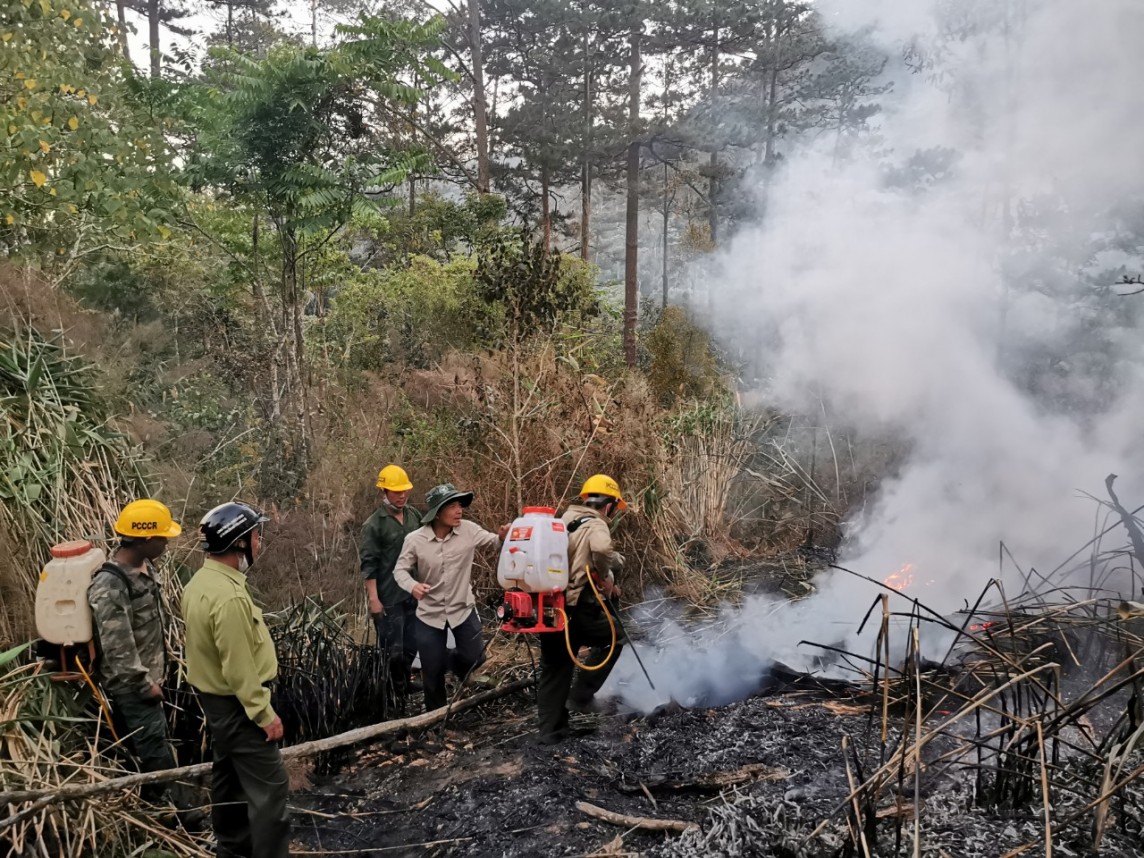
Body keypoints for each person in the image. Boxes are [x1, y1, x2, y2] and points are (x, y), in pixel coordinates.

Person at [182, 502, 289, 858]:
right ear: (240, 543)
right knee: (270, 789)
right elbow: (237, 666)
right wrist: (263, 714)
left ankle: (232, 851)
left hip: (218, 706)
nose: (260, 543)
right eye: (256, 536)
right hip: (240, 708)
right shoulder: (227, 597)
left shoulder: (202, 582)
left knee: (228, 783)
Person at [88, 499, 203, 824]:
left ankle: (162, 809)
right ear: (143, 540)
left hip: (152, 676)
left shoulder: (144, 568)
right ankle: (177, 818)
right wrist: (145, 685)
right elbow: (118, 648)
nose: (166, 543)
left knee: (153, 746)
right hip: (133, 688)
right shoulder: (110, 586)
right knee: (157, 754)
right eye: (162, 538)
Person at [392, 484, 506, 711]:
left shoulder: (469, 530)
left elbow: (494, 542)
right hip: (429, 614)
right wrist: (413, 586)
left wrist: (503, 537)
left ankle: (448, 662)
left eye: (459, 505)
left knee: (476, 657)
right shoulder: (415, 540)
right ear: (437, 512)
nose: (459, 510)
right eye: (452, 506)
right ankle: (436, 719)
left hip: (462, 608)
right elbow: (400, 570)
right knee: (432, 675)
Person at [536, 474, 627, 744]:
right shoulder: (596, 524)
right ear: (608, 505)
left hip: (551, 608)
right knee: (616, 637)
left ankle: (550, 735)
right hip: (578, 609)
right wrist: (604, 574)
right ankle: (581, 696)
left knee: (555, 669)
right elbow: (601, 549)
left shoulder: (562, 520)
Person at [360, 464, 423, 700]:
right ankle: (394, 696)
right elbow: (369, 564)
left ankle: (403, 685)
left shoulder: (413, 516)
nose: (402, 495)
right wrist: (374, 599)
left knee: (412, 644)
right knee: (392, 651)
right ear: (384, 492)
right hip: (388, 597)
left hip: (412, 593)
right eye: (396, 492)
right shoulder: (373, 525)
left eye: (404, 491)